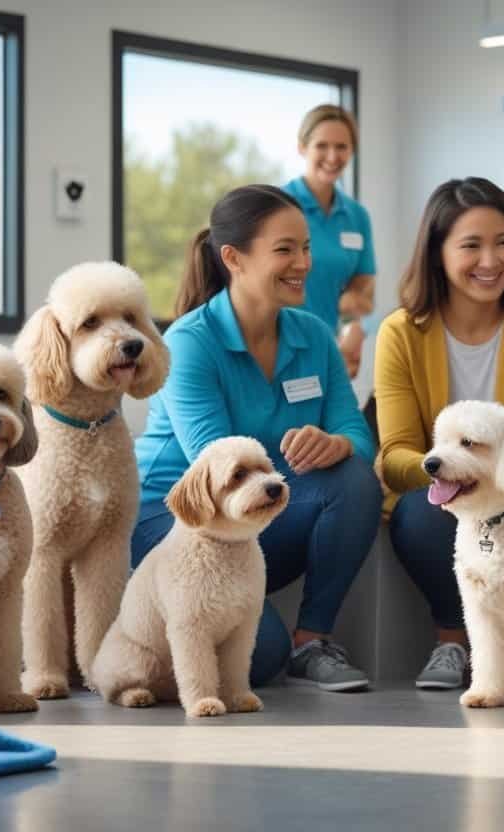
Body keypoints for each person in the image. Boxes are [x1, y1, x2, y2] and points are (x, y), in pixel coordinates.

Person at [132, 184, 382, 692]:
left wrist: (338, 444)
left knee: (353, 479)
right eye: (285, 249)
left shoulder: (314, 334)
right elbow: (218, 467)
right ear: (233, 258)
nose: (304, 263)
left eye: (307, 247)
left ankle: (311, 641)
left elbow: (355, 430)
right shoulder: (188, 343)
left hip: (258, 514)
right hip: (177, 518)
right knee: (258, 658)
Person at [376, 177, 504, 689]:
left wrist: (499, 476)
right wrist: (456, 475)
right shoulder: (400, 332)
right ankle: (452, 642)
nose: (491, 259)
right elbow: (395, 453)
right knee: (421, 513)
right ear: (437, 253)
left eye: (502, 242)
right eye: (471, 246)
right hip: (439, 491)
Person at [283, 105, 376, 378]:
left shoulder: (357, 216)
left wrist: (353, 329)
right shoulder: (279, 205)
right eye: (322, 146)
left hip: (335, 352)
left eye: (342, 146)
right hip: (283, 346)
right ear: (302, 147)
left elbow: (361, 289)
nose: (333, 156)